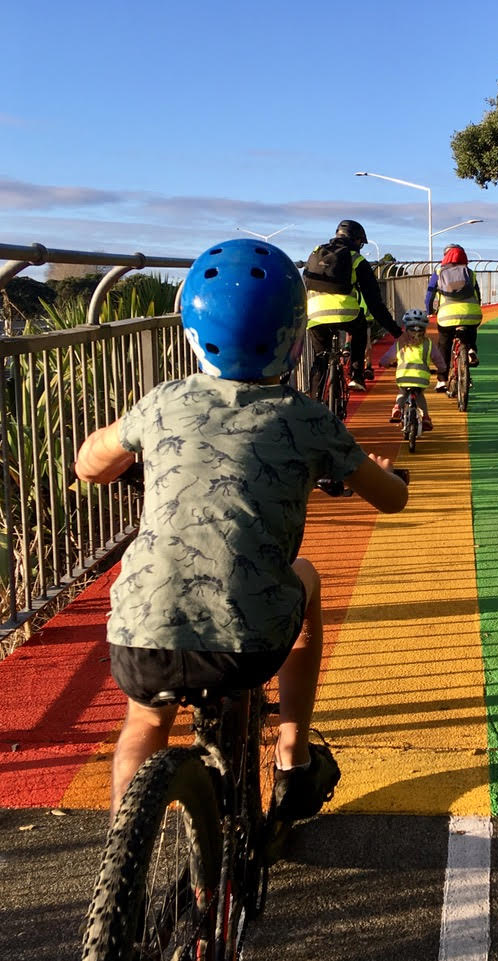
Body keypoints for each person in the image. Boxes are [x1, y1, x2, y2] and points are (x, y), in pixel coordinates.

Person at [74, 238, 409, 821]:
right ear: (297, 338)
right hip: (247, 646)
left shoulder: (162, 403)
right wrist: (382, 473)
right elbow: (392, 501)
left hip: (141, 637)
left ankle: (125, 862)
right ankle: (291, 756)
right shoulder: (307, 418)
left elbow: (90, 465)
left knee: (144, 721)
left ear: (191, 337)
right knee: (305, 578)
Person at [304, 219, 403, 396]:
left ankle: (313, 401)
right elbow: (375, 303)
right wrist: (396, 332)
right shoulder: (356, 260)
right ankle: (356, 375)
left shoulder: (317, 252)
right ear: (356, 240)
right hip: (345, 314)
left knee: (321, 358)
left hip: (314, 315)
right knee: (360, 328)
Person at [425, 244, 482, 392]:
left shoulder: (439, 272)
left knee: (444, 344)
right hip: (471, 313)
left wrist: (429, 310)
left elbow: (429, 295)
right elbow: (478, 296)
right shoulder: (469, 272)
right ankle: (470, 349)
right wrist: (475, 307)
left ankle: (442, 380)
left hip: (447, 316)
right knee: (471, 328)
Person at [390, 309, 434, 431]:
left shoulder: (401, 343)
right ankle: (425, 417)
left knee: (403, 393)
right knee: (420, 395)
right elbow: (439, 359)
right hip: (421, 378)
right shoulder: (428, 343)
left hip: (403, 376)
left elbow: (388, 357)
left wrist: (385, 363)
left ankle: (397, 408)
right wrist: (442, 369)